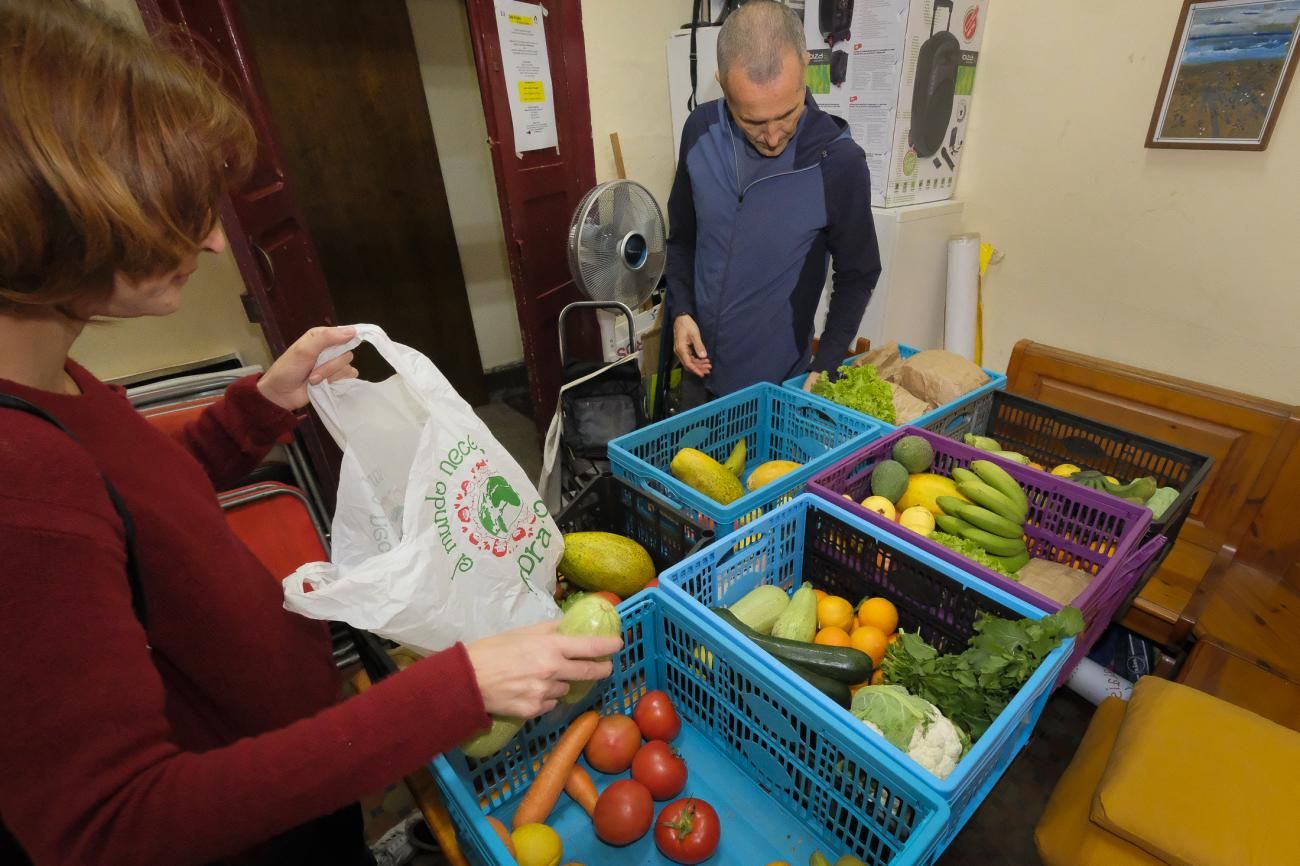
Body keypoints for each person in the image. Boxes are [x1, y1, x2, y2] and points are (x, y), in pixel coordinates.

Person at [0, 2, 621, 865]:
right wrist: (460, 686)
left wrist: (261, 403)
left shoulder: (49, 376)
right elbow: (115, 826)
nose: (216, 240)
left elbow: (140, 515)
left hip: (296, 777)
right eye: (179, 211)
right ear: (66, 213)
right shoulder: (14, 488)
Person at [666, 0, 882, 406]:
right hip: (698, 379)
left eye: (787, 114)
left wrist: (827, 363)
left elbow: (859, 274)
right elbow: (682, 240)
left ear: (805, 68)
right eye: (752, 121)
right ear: (722, 84)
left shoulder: (837, 162)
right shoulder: (700, 130)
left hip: (780, 390)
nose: (771, 137)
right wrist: (681, 311)